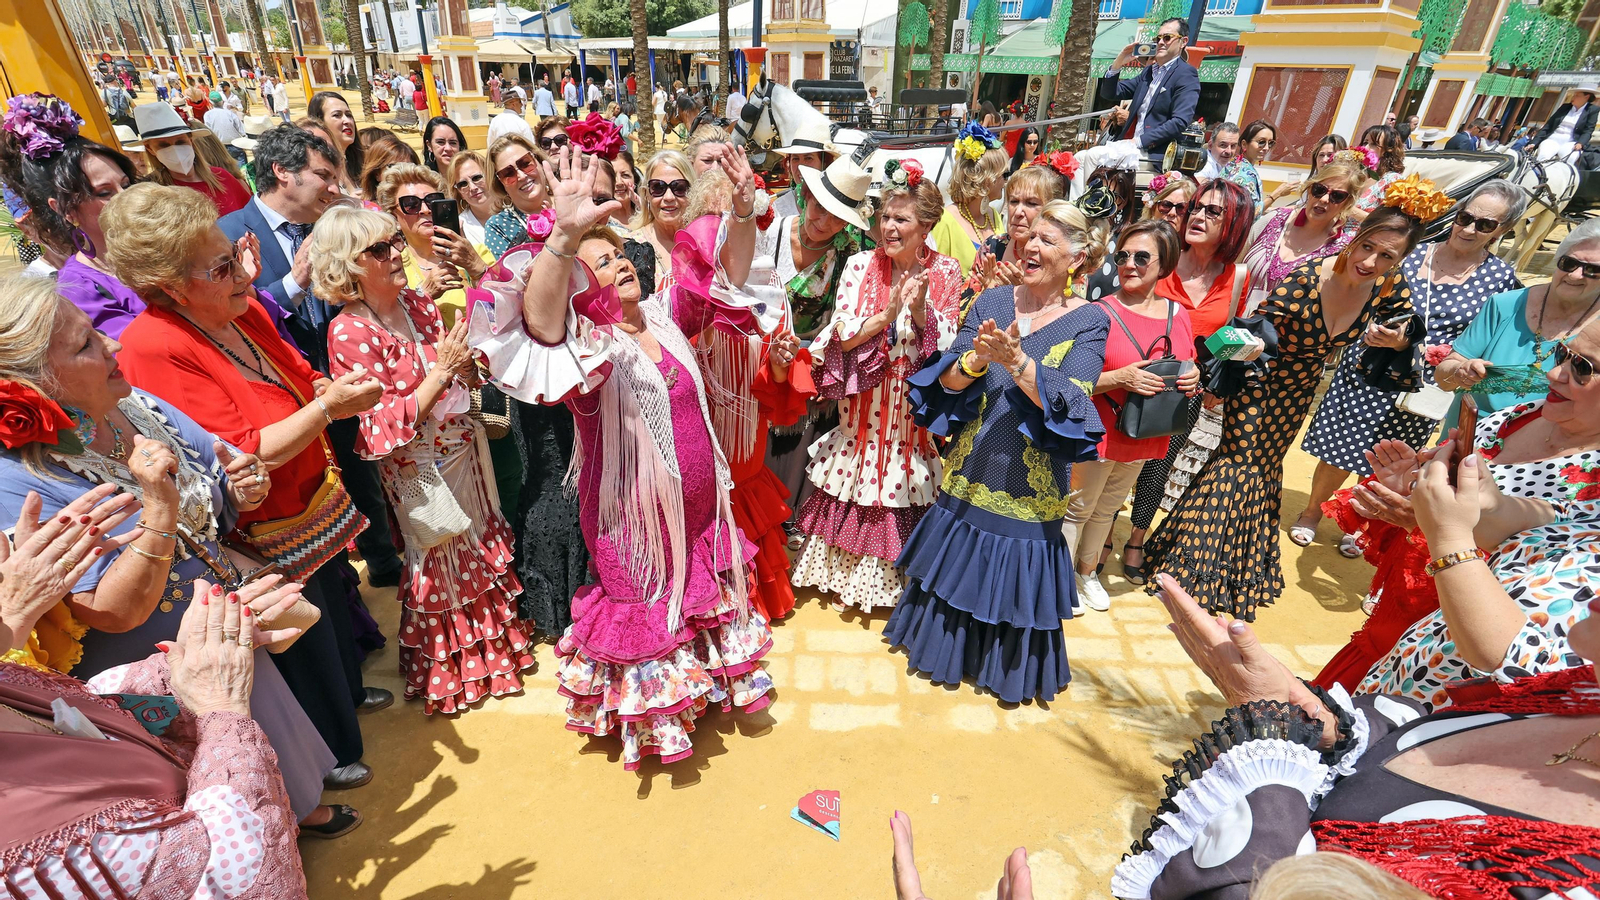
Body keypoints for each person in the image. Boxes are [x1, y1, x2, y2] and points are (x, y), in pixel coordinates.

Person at [0, 276, 356, 835]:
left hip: (217, 612)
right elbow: (110, 611)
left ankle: (296, 804)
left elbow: (219, 475)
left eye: (95, 331)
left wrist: (242, 486)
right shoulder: (18, 480)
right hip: (150, 657)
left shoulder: (132, 403)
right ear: (34, 385)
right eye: (86, 344)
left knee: (261, 719)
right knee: (205, 775)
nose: (112, 344)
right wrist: (159, 505)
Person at [470, 146, 775, 769]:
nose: (620, 264)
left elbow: (730, 277)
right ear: (580, 291)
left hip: (698, 512)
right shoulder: (586, 350)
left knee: (698, 601)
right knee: (645, 609)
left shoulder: (664, 315)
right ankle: (658, 725)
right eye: (601, 264)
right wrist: (563, 236)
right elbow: (541, 324)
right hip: (633, 525)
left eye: (617, 255)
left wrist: (743, 213)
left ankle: (704, 693)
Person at [105, 183, 388, 786]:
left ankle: (348, 704)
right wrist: (327, 409)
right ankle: (326, 759)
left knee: (332, 612)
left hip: (313, 502)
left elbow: (296, 374)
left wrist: (321, 389)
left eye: (233, 254)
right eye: (221, 267)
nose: (242, 273)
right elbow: (241, 450)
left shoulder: (241, 307)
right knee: (297, 641)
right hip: (261, 526)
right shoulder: (153, 345)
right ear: (171, 287)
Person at [1117, 562, 1600, 900]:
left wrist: (1268, 732)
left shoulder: (1577, 879)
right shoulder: (1579, 692)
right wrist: (1322, 727)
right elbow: (1402, 746)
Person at [1144, 188, 1439, 620]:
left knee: (1263, 470)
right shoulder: (1307, 279)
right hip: (1258, 381)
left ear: (1399, 261)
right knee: (1238, 462)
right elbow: (1252, 332)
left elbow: (1410, 323)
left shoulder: (1387, 286)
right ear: (1356, 237)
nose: (1371, 262)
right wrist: (1210, 374)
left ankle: (1234, 570)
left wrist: (1397, 338)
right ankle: (1188, 572)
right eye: (1368, 247)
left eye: (1387, 257)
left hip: (1298, 391)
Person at [311, 205, 535, 714]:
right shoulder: (349, 332)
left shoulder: (416, 302)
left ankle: (497, 651)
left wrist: (468, 369)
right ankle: (454, 668)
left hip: (464, 450)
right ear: (348, 265)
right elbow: (376, 423)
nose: (396, 254)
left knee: (478, 545)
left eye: (394, 242)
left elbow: (456, 372)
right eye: (379, 249)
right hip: (419, 467)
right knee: (439, 558)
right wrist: (443, 372)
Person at [884, 198, 1109, 700]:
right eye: (1030, 237)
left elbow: (1075, 397)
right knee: (953, 572)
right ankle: (945, 652)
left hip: (1030, 486)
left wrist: (1020, 364)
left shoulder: (1091, 320)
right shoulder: (992, 302)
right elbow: (948, 377)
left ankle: (1001, 670)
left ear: (1075, 258)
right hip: (971, 470)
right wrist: (977, 361)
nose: (1031, 246)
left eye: (1048, 241)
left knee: (1013, 580)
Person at [1318, 321, 1600, 696]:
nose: (1554, 373)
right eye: (1563, 353)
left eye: (1582, 367)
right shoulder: (1521, 414)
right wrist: (1413, 486)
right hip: (1404, 638)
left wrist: (1431, 526)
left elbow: (1528, 600)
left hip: (1451, 678)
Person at [0, 575, 315, 897]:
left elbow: (84, 710)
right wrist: (222, 706)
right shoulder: (26, 853)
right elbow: (226, 872)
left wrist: (186, 665)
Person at [1293, 179, 1526, 550]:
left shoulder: (1501, 280)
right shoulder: (1410, 252)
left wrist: (1452, 357)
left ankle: (1360, 525)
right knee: (1340, 449)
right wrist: (1366, 326)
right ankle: (1312, 512)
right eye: (1465, 218)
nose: (1469, 229)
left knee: (1392, 459)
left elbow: (1490, 334)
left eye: (1484, 224)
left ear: (1503, 230)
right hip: (1371, 364)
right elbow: (1361, 288)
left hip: (1424, 383)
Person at [791, 161, 963, 613]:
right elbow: (840, 334)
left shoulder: (947, 272)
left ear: (926, 226)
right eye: (885, 216)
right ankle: (845, 576)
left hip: (912, 425)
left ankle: (897, 578)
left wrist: (921, 310)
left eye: (901, 219)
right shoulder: (859, 265)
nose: (888, 227)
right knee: (857, 474)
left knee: (906, 479)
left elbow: (950, 348)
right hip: (862, 417)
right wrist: (885, 317)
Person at [1119, 180, 1253, 585]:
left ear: (1234, 223)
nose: (1197, 216)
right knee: (1119, 463)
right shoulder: (1161, 260)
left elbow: (1230, 333)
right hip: (1135, 377)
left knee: (1160, 465)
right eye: (1197, 207)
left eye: (1213, 212)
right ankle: (1103, 534)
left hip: (1185, 390)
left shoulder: (1238, 277)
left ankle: (1136, 540)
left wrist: (1216, 380)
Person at [1062, 220, 1197, 612]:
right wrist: (1121, 378)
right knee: (1078, 507)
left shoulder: (1177, 313)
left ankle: (1086, 572)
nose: (1128, 264)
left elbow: (1187, 360)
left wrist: (1193, 375)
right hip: (1098, 428)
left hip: (1145, 430)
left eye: (1141, 257)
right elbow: (1070, 379)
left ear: (1164, 264)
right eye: (1122, 256)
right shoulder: (1098, 312)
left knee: (1108, 508)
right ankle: (1059, 578)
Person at [0, 95, 143, 338]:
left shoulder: (165, 246)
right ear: (66, 210)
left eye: (126, 185)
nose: (125, 197)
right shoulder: (80, 289)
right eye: (105, 192)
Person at [1435, 217, 1600, 424]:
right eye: (1569, 263)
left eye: (1592, 270)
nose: (1574, 275)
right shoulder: (1504, 305)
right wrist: (1459, 371)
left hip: (1547, 438)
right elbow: (1443, 377)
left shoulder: (1596, 330)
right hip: (1471, 432)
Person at [1240, 155, 1366, 316]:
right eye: (1319, 190)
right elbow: (1231, 266)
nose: (1324, 199)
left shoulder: (1342, 252)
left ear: (1348, 203)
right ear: (1309, 189)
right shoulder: (1272, 220)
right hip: (1233, 325)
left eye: (1337, 196)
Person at [377, 163, 492, 330]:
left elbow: (508, 304)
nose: (425, 210)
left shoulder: (477, 253)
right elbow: (386, 324)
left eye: (432, 201)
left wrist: (476, 268)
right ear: (394, 218)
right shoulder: (392, 266)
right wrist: (423, 295)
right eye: (411, 204)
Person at [1082, 17, 1200, 171]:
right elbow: (1110, 93)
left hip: (1155, 153)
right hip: (1129, 146)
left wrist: (1138, 141)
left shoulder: (1186, 74)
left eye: (1167, 38)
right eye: (1158, 38)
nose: (1161, 42)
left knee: (1092, 156)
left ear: (1183, 42)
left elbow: (1179, 121)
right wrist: (1118, 63)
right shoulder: (1149, 72)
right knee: (1080, 158)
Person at [135, 103, 252, 216]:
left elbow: (251, 215)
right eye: (163, 145)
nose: (175, 150)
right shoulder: (151, 195)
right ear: (150, 149)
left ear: (190, 141)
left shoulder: (222, 177)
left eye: (180, 142)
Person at [931, 123, 1008, 276]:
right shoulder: (944, 221)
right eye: (1004, 175)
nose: (1006, 181)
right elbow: (935, 278)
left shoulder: (993, 215)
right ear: (987, 179)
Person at [626, 148, 696, 286]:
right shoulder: (632, 246)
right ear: (646, 194)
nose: (669, 197)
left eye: (679, 188)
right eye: (658, 187)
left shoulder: (705, 241)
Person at [483, 135, 549, 260]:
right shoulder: (499, 226)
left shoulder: (569, 197)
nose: (522, 176)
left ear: (538, 160)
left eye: (525, 164)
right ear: (501, 185)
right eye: (508, 174)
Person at [769, 120, 838, 218]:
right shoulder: (779, 208)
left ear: (825, 163)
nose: (800, 167)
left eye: (808, 158)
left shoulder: (838, 205)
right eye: (795, 159)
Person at [307, 91, 362, 192]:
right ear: (319, 122)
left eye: (349, 115)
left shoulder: (360, 164)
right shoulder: (314, 171)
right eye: (337, 115)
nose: (347, 121)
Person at [444, 150, 499, 247]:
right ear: (459, 193)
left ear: (490, 175)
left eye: (477, 178)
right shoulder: (459, 226)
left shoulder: (515, 207)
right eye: (463, 184)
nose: (472, 188)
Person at [1534, 83, 1600, 163]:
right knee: (1543, 155)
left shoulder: (1592, 110)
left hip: (1571, 142)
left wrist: (1580, 143)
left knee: (1570, 158)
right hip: (1552, 139)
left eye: (1577, 95)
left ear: (1586, 97)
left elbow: (1588, 130)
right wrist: (1534, 142)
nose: (1573, 97)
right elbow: (1548, 126)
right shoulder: (1564, 107)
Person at [1218, 119, 1274, 211]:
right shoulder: (1245, 174)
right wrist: (1276, 195)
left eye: (1270, 143)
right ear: (1244, 144)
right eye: (1261, 142)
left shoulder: (1234, 164)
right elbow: (1249, 212)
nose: (1266, 148)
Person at [1354, 124, 1406, 215]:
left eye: (1374, 144)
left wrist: (1348, 209)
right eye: (1365, 143)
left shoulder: (1393, 180)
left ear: (1388, 149)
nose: (1366, 148)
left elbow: (1385, 219)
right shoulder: (1354, 173)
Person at [357, 131, 421, 202]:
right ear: (377, 174)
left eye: (407, 166)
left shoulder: (424, 205)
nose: (400, 172)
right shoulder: (363, 207)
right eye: (392, 166)